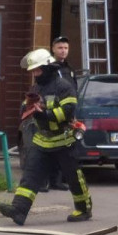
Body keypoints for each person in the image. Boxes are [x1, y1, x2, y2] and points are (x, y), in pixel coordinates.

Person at [0, 48, 92, 225]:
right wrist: (27, 109)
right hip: (42, 140)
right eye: (32, 71)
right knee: (31, 175)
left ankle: (83, 209)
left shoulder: (64, 87)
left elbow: (67, 111)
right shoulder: (37, 87)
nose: (35, 74)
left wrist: (44, 114)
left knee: (73, 177)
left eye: (37, 70)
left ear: (47, 68)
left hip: (64, 141)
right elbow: (27, 106)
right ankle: (18, 210)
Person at [39, 35, 75, 191]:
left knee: (62, 147)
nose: (63, 51)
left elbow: (73, 90)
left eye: (66, 48)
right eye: (60, 48)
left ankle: (56, 180)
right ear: (53, 49)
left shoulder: (68, 69)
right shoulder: (50, 68)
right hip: (51, 111)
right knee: (47, 148)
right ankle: (44, 181)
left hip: (66, 112)